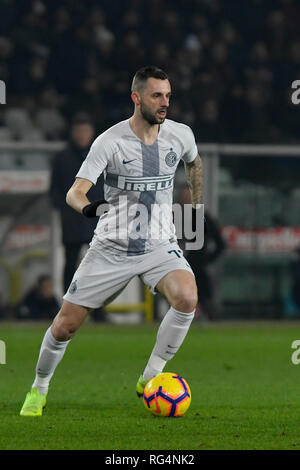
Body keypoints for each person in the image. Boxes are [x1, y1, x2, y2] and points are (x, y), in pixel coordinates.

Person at [20, 66, 203, 416]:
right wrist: (91, 209)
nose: (165, 103)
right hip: (111, 248)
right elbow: (74, 193)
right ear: (136, 98)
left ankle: (150, 375)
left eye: (168, 95)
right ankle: (38, 388)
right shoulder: (110, 141)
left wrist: (195, 208)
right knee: (65, 326)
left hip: (159, 244)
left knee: (187, 298)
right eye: (156, 96)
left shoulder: (181, 135)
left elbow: (195, 165)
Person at [49, 112, 105, 293]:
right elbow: (54, 190)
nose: (82, 135)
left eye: (85, 130)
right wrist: (66, 208)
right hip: (72, 219)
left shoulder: (100, 155)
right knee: (70, 263)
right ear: (72, 132)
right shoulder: (62, 158)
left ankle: (97, 309)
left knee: (98, 265)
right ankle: (67, 304)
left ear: (92, 133)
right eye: (78, 131)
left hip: (96, 219)